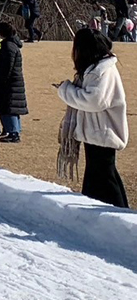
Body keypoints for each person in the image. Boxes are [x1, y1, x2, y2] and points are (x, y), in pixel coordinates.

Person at [55, 28, 128, 208]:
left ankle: (118, 213)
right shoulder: (96, 69)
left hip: (102, 132)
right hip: (97, 131)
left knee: (103, 175)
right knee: (101, 174)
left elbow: (94, 101)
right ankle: (101, 211)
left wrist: (65, 90)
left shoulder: (101, 71)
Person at [0, 21, 28, 143]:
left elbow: (7, 66)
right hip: (14, 81)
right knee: (12, 107)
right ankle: (15, 130)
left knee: (9, 106)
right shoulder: (12, 44)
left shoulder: (8, 46)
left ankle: (13, 133)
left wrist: (1, 79)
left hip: (9, 82)